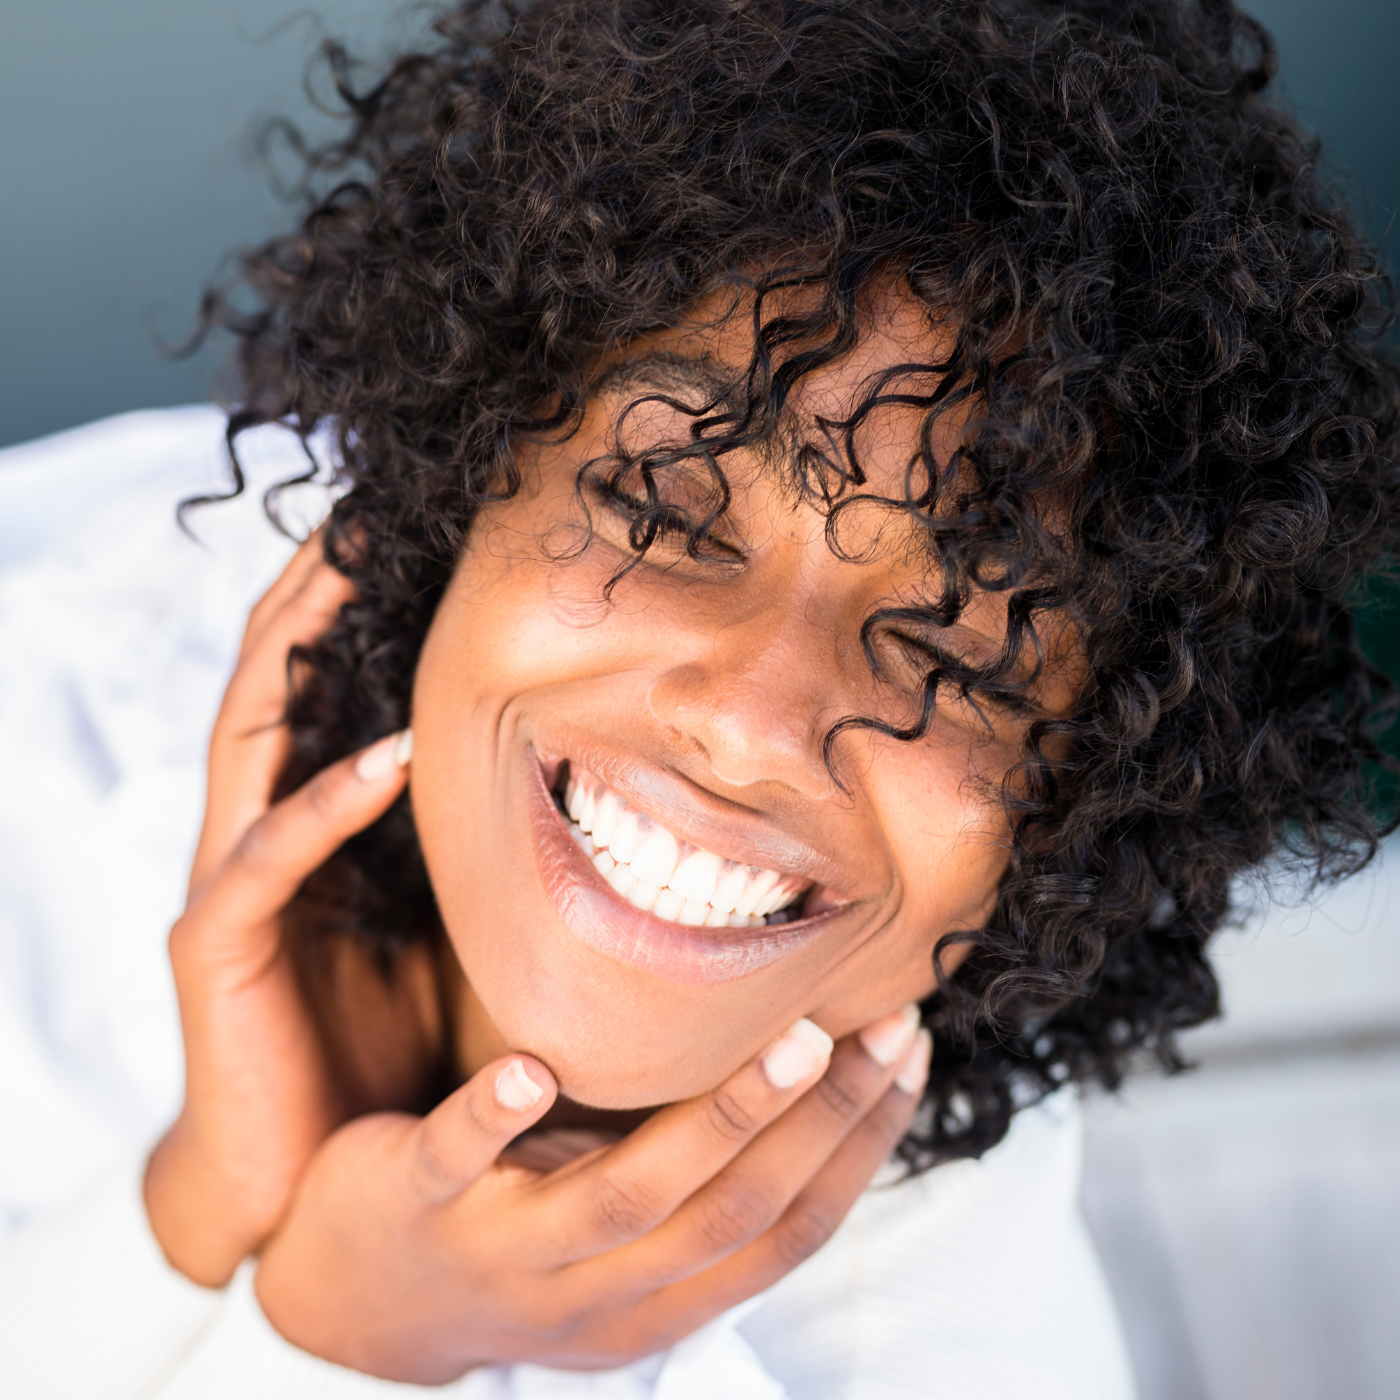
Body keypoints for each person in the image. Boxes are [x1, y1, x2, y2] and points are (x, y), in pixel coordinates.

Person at [2, 0, 1397, 1394]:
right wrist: (206, 1198)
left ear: (1082, 816)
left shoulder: (931, 1335)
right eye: (664, 512)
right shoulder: (66, 671)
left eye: (959, 656)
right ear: (459, 478)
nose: (749, 722)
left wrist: (352, 1338)